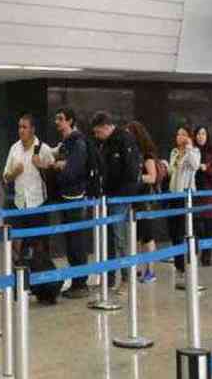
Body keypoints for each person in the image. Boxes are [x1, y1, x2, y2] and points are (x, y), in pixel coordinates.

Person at [90, 111, 142, 292]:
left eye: (98, 132)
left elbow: (130, 171)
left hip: (121, 195)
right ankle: (110, 278)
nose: (97, 136)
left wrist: (122, 193)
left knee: (120, 237)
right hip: (109, 196)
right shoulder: (105, 143)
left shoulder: (125, 140)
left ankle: (128, 278)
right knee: (110, 239)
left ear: (106, 126)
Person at [47, 107, 92, 299]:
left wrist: (58, 166)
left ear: (70, 121)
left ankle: (80, 283)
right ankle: (76, 281)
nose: (57, 122)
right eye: (56, 118)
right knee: (71, 240)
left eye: (61, 119)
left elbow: (72, 170)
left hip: (75, 198)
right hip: (66, 198)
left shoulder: (78, 143)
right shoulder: (66, 143)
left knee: (76, 241)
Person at [4, 114, 55, 259]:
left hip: (38, 204)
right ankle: (21, 273)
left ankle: (38, 276)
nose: (21, 130)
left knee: (38, 246)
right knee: (16, 244)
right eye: (19, 127)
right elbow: (6, 177)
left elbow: (54, 173)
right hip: (19, 204)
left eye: (24, 127)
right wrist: (15, 172)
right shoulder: (14, 149)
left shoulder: (43, 149)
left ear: (32, 129)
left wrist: (41, 165)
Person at [124, 122, 160, 283]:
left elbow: (152, 177)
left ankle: (150, 271)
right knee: (136, 235)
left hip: (145, 200)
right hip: (134, 199)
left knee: (147, 236)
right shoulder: (132, 154)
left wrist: (136, 178)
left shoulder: (147, 156)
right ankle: (138, 268)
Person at [168, 124, 201, 285]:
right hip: (173, 194)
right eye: (177, 134)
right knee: (174, 232)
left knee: (186, 230)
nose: (179, 137)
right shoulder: (174, 152)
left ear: (189, 137)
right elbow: (171, 172)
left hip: (186, 194)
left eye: (183, 134)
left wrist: (188, 149)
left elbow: (195, 166)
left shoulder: (194, 152)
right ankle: (179, 266)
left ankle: (190, 266)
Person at [194, 126, 212, 266]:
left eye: (203, 133)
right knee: (197, 227)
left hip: (209, 196)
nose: (200, 136)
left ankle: (206, 258)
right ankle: (198, 253)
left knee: (208, 227)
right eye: (198, 134)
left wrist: (207, 169)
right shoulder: (192, 151)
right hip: (194, 195)